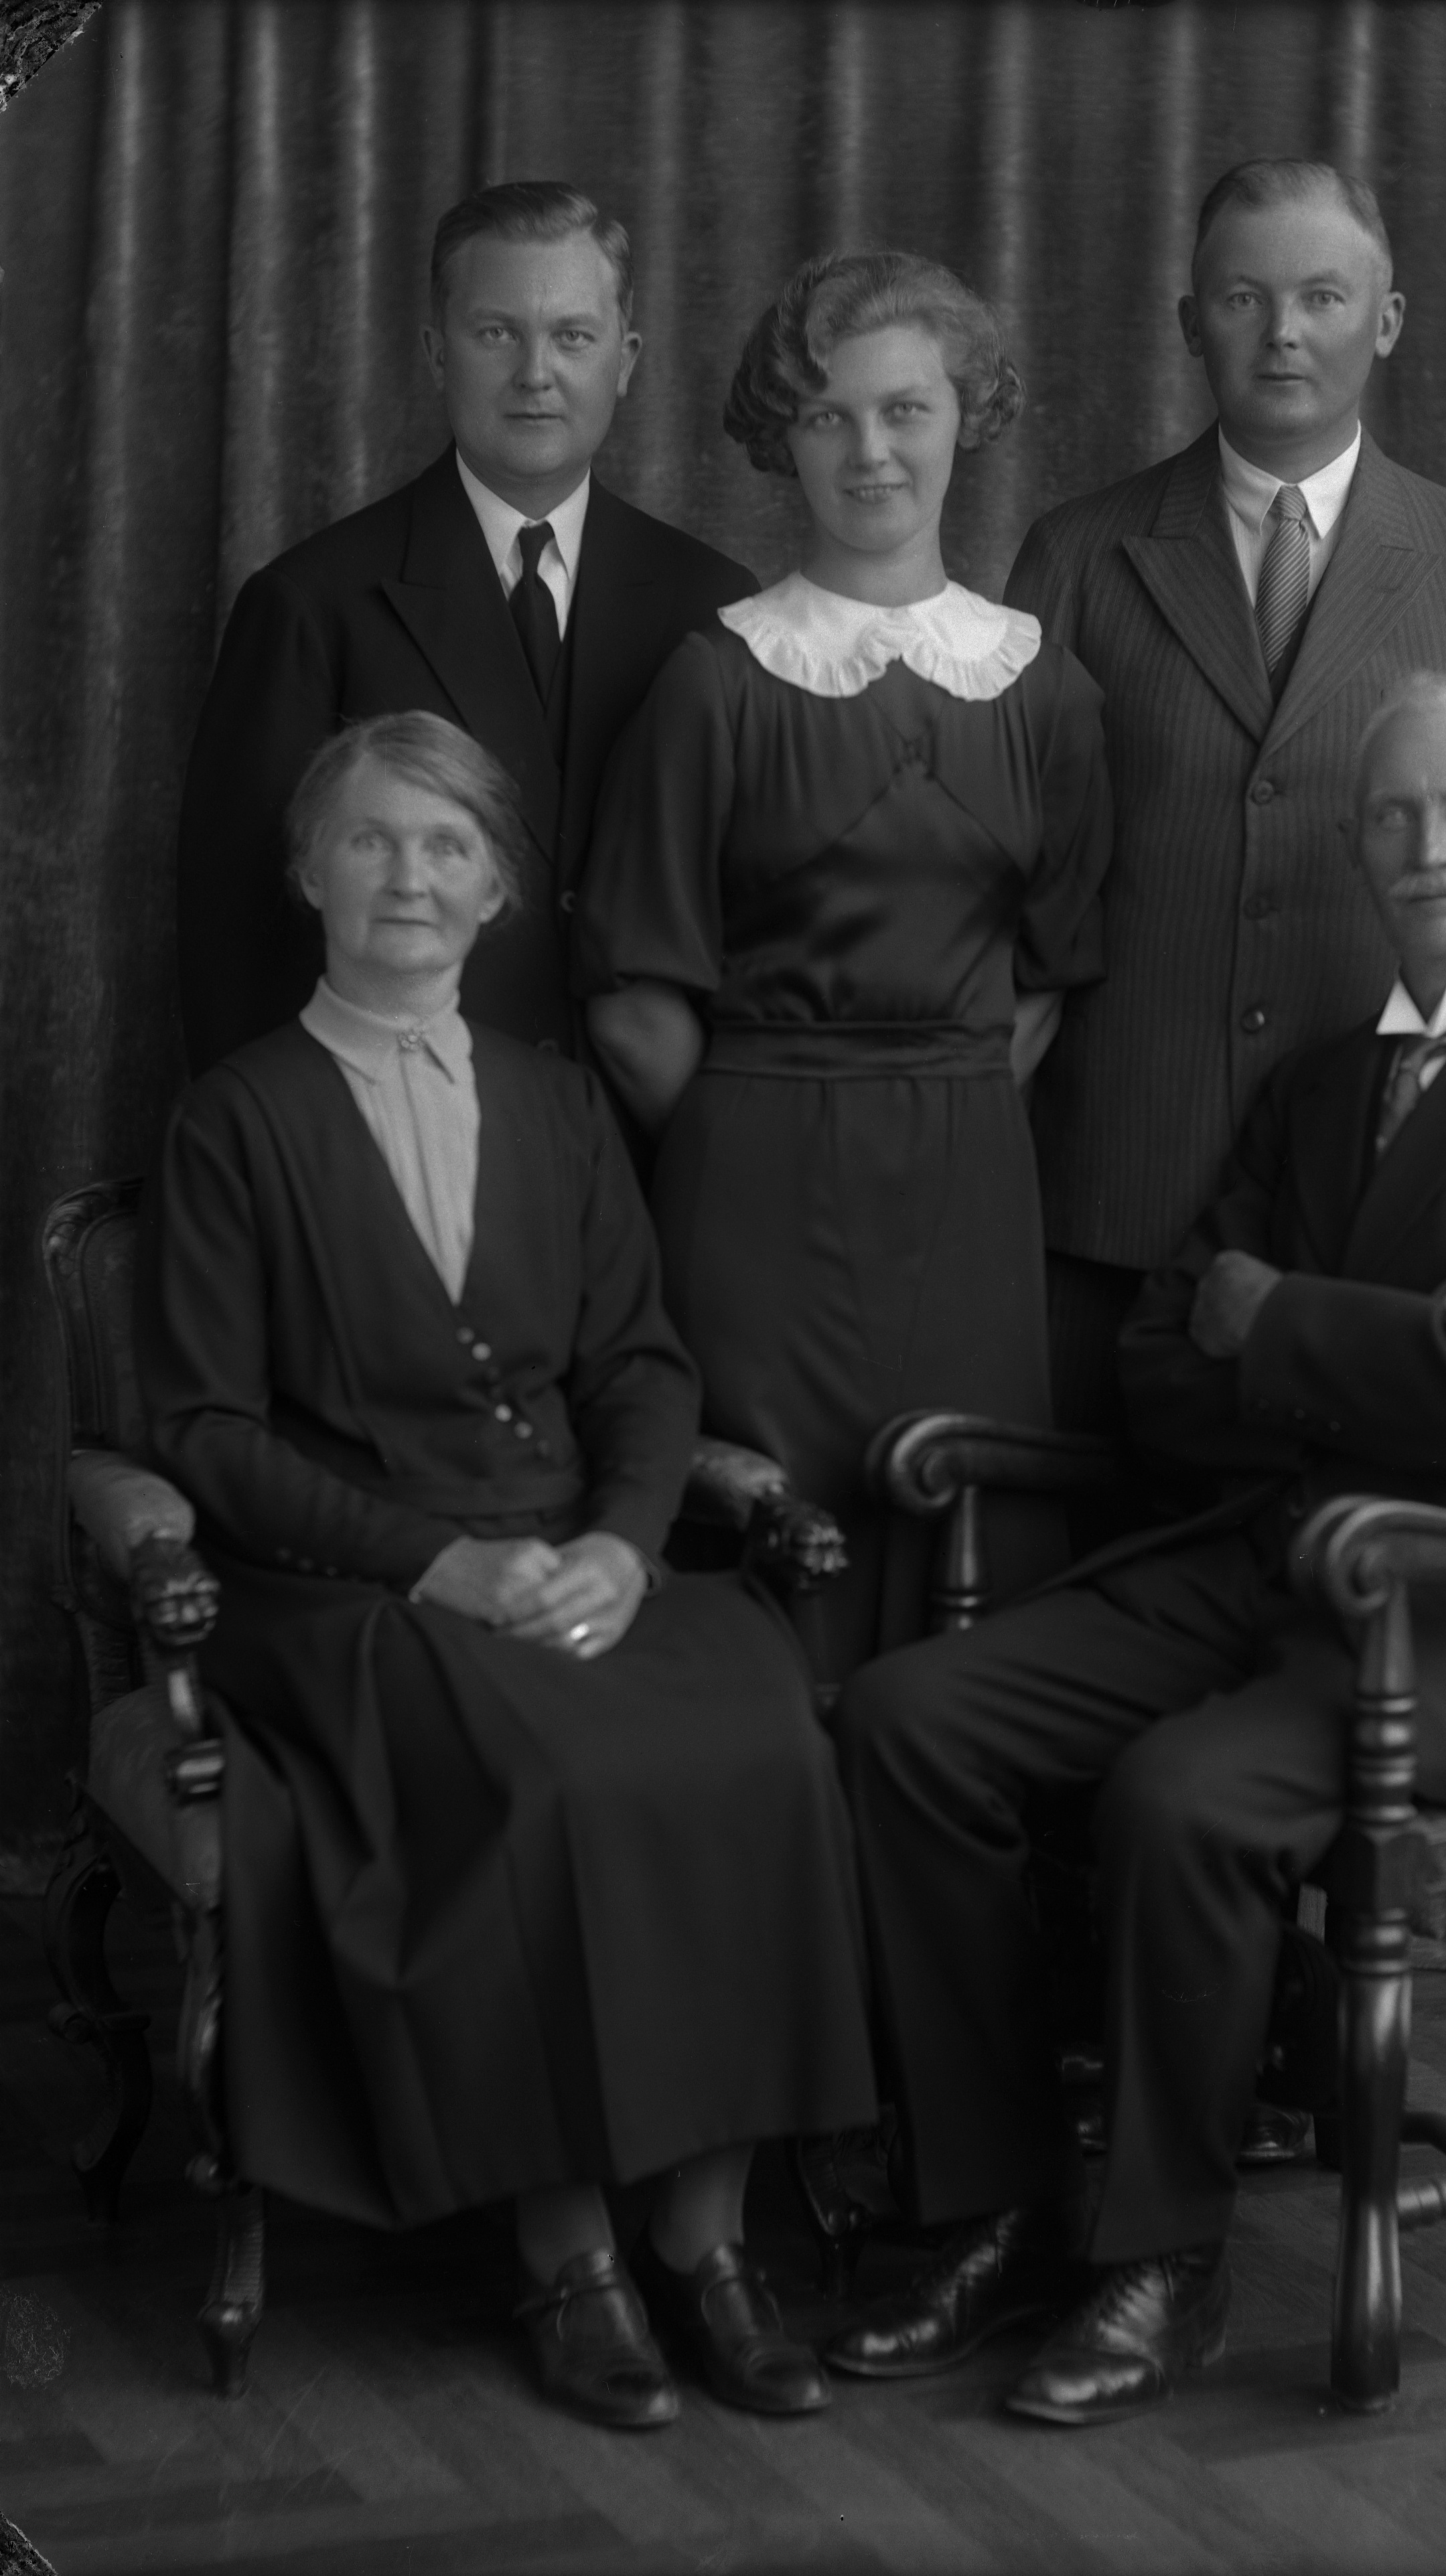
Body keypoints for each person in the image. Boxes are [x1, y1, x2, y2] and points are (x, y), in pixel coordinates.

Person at [826, 675, 1446, 2427]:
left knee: (1183, 1795)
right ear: (1357, 848)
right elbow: (1161, 1368)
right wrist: (1411, 1331)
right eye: (1392, 816)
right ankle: (999, 2201)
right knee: (905, 1719)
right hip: (1269, 1562)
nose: (1425, 847)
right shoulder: (1321, 1086)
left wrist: (1287, 1316)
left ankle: (1161, 2256)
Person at [139, 712, 878, 2430]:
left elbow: (642, 1370)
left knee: (761, 1735)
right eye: (371, 839)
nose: (408, 875)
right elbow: (206, 1430)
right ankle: (569, 2253)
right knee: (546, 1772)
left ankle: (705, 2237)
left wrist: (621, 1545)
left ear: (497, 890)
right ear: (308, 872)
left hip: (578, 1553)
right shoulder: (233, 1118)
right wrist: (438, 1569)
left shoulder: (557, 1103)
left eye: (446, 845)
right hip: (346, 1587)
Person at [575, 251, 1112, 1683]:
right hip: (751, 1188)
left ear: (965, 417)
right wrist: (761, 1136)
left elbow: (1048, 978)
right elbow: (631, 1007)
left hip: (969, 1187)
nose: (870, 450)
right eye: (827, 416)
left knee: (967, 1552)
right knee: (774, 1556)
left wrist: (934, 1110)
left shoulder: (1045, 689)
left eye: (904, 410)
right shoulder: (714, 679)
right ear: (782, 438)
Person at [1006, 159, 1446, 1436]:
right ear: (1189, 322)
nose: (1282, 333)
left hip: (1382, 1207)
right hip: (1114, 1189)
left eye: (1322, 297)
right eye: (1242, 298)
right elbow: (1018, 878)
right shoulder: (1076, 555)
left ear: (1385, 321)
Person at [176, 181, 753, 1071]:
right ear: (436, 353)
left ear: (625, 360)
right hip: (395, 1134)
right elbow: (238, 953)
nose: (535, 373)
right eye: (496, 333)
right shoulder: (310, 605)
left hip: (646, 1138)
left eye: (572, 336)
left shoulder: (715, 602)